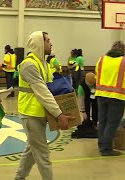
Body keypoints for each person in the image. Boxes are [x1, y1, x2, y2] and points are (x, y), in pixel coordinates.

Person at [14, 31, 75, 180]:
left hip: (40, 113)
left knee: (32, 150)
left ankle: (19, 177)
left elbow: (53, 88)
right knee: (43, 154)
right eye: (47, 41)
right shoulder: (29, 65)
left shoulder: (44, 64)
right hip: (31, 114)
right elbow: (42, 92)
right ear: (39, 44)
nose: (51, 43)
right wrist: (58, 114)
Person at [95, 41, 125, 156]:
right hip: (117, 97)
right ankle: (106, 149)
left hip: (101, 95)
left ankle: (101, 144)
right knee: (112, 123)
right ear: (123, 51)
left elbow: (97, 73)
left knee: (102, 121)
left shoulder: (101, 59)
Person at [71, 72, 98, 139]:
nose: (91, 85)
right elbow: (81, 101)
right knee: (86, 113)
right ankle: (86, 125)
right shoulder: (81, 87)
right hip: (85, 99)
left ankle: (95, 123)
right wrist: (82, 112)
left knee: (96, 109)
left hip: (95, 97)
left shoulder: (96, 83)